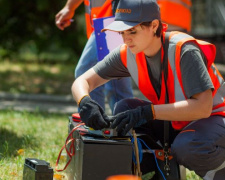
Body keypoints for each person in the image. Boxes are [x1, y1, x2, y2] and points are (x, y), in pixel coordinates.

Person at [71, 0, 225, 179]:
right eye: (122, 32)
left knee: (188, 146)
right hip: (180, 121)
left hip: (216, 119)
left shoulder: (185, 50)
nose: (126, 39)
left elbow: (202, 108)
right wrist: (85, 101)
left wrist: (148, 112)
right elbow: (82, 80)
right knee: (124, 109)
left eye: (132, 31)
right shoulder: (128, 52)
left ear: (154, 25)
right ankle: (160, 171)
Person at [55, 0, 133, 112]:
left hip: (111, 22)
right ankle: (124, 126)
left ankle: (95, 125)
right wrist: (70, 7)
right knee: (116, 83)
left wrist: (69, 7)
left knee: (86, 74)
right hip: (109, 22)